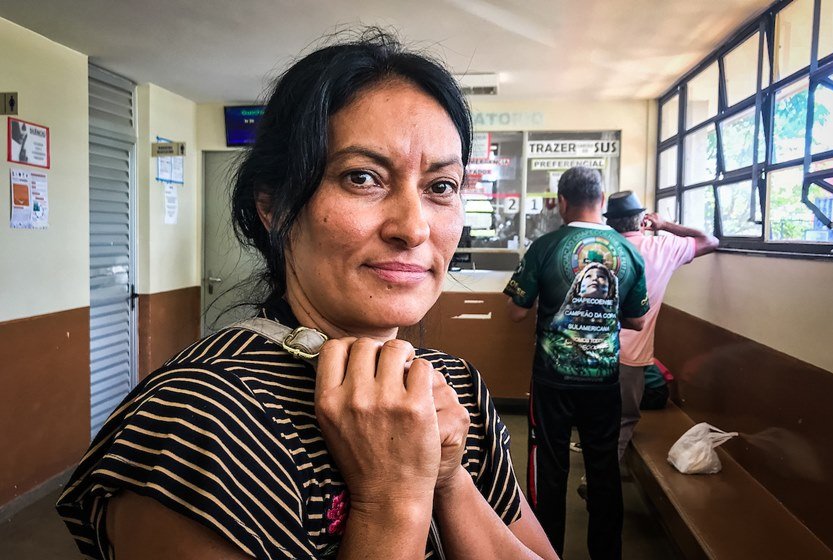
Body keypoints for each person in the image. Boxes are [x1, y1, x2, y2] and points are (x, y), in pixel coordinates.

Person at [56, 31, 558, 560]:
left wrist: (449, 480)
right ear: (274, 208)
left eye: (441, 187)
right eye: (363, 177)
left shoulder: (453, 391)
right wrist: (391, 497)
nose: (413, 228)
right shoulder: (201, 424)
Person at [505, 167, 649, 560]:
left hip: (552, 382)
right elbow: (637, 320)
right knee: (603, 470)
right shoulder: (630, 251)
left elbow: (516, 312)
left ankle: (545, 552)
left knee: (548, 469)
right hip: (605, 382)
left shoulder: (545, 246)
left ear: (562, 202)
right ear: (602, 201)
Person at [604, 190, 718, 459]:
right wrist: (665, 225)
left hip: (591, 350)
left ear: (610, 222)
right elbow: (709, 240)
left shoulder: (599, 247)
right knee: (624, 419)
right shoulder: (662, 248)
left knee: (596, 415)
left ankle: (592, 471)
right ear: (641, 219)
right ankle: (598, 485)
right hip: (630, 357)